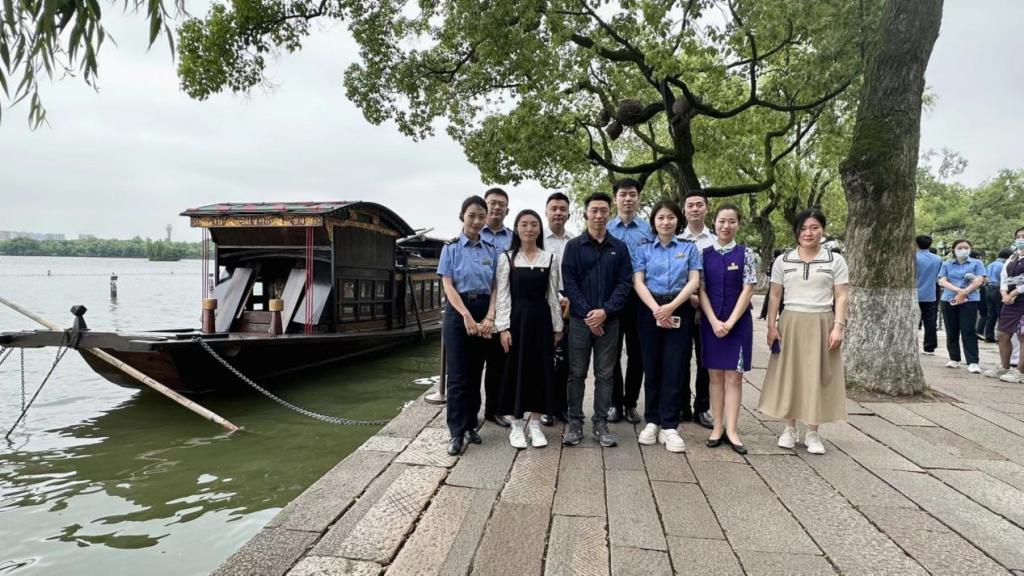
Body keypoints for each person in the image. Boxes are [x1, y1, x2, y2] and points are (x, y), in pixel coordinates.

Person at [759, 209, 849, 455]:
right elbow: (775, 295)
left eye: (814, 227)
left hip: (822, 321)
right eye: (803, 228)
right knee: (790, 374)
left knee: (817, 375)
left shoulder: (835, 260)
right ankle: (789, 428)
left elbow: (841, 295)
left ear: (822, 230)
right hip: (791, 321)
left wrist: (838, 326)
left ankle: (813, 431)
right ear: (796, 232)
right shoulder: (783, 260)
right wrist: (771, 326)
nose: (808, 233)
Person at [561, 192, 633, 448]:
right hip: (580, 322)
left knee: (605, 374)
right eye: (594, 210)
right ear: (586, 214)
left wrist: (605, 312)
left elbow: (625, 283)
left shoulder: (619, 248)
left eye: (603, 210)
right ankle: (575, 422)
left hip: (609, 321)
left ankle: (600, 423)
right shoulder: (573, 246)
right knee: (576, 373)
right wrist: (589, 315)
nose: (599, 215)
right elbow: (569, 283)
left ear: (609, 214)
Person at [632, 200, 701, 453]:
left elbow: (694, 281)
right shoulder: (643, 249)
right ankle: (652, 421)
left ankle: (670, 425)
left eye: (670, 217)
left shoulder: (688, 248)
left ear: (678, 220)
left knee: (675, 366)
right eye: (660, 217)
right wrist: (656, 309)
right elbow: (638, 282)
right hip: (649, 309)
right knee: (651, 366)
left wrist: (671, 307)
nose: (665, 222)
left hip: (679, 308)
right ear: (653, 221)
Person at [496, 210, 564, 449]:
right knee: (515, 369)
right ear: (516, 229)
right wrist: (503, 328)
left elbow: (553, 296)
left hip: (542, 320)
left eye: (534, 224)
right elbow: (503, 295)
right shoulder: (507, 258)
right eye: (524, 224)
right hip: (516, 320)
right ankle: (516, 425)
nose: (529, 229)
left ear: (539, 229)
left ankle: (535, 424)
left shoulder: (550, 258)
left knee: (540, 370)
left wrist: (557, 327)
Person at [438, 196, 498, 456]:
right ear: (462, 216)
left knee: (475, 373)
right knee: (458, 376)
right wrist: (465, 315)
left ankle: (472, 424)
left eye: (481, 216)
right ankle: (456, 431)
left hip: (483, 309)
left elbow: (495, 286)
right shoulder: (450, 248)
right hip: (458, 312)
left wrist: (489, 316)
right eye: (471, 215)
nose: (476, 221)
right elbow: (448, 284)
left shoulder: (491, 250)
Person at [700, 204, 757, 455]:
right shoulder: (703, 254)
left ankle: (732, 430)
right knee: (715, 376)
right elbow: (700, 289)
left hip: (738, 324)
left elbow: (748, 288)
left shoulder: (746, 254)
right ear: (714, 223)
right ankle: (717, 427)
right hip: (711, 322)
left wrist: (730, 322)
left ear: (738, 225)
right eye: (722, 221)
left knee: (734, 376)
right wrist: (714, 321)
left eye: (732, 221)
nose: (726, 226)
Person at [607, 178, 652, 425]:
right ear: (616, 198)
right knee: (611, 353)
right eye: (623, 194)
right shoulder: (606, 227)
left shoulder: (648, 229)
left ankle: (631, 403)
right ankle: (615, 403)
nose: (627, 199)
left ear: (638, 198)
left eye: (632, 194)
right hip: (613, 297)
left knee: (638, 353)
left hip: (640, 298)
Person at [679, 191, 716, 429]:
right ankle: (682, 405)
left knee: (705, 359)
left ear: (706, 208)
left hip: (710, 309)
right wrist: (691, 297)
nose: (694, 209)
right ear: (684, 210)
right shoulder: (676, 239)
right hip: (682, 306)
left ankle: (702, 407)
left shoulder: (716, 241)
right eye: (690, 205)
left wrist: (704, 302)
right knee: (680, 357)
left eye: (699, 205)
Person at [480, 187, 513, 428]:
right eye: (493, 203)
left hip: (502, 304)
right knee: (471, 364)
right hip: (476, 302)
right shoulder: (473, 233)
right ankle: (470, 412)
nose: (497, 207)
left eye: (502, 204)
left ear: (507, 210)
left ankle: (494, 410)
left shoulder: (512, 238)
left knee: (498, 363)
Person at [543, 192, 575, 425]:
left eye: (562, 209)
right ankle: (544, 406)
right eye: (554, 208)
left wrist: (570, 298)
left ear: (569, 214)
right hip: (544, 302)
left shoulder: (575, 241)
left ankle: (562, 406)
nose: (558, 213)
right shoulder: (538, 240)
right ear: (546, 212)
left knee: (566, 359)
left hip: (570, 304)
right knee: (545, 357)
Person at [938, 239, 986, 374]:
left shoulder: (977, 263)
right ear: (954, 250)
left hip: (970, 300)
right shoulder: (947, 264)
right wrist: (958, 291)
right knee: (951, 329)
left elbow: (979, 280)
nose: (963, 250)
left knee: (968, 330)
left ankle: (973, 361)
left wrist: (965, 292)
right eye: (960, 248)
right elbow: (942, 280)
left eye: (966, 247)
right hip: (949, 299)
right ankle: (954, 358)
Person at [985, 229, 1024, 383]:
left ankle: (1020, 371)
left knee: (1022, 335)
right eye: (1018, 236)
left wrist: (1015, 292)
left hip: (1020, 298)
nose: (1020, 239)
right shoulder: (1012, 257)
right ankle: (1004, 366)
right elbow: (1004, 277)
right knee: (1002, 333)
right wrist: (1004, 293)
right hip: (1009, 300)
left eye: (1023, 237)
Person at [915, 235, 943, 355]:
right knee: (930, 320)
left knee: (913, 321)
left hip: (914, 293)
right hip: (930, 293)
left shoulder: (913, 257)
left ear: (916, 244)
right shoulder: (938, 259)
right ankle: (929, 347)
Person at [981, 249, 1011, 343]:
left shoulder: (990, 264)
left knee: (991, 314)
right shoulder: (1003, 266)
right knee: (1000, 313)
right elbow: (1003, 279)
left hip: (988, 288)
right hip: (998, 289)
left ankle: (988, 336)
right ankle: (1000, 337)